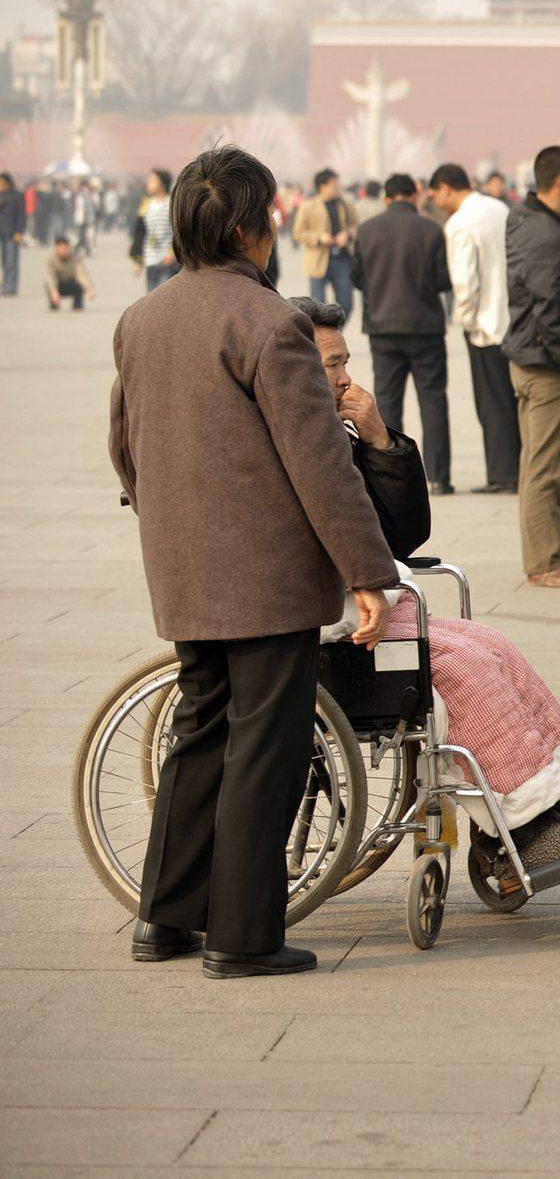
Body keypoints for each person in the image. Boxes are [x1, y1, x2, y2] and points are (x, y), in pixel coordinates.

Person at [110, 145, 399, 978]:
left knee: (197, 735)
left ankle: (164, 917)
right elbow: (320, 465)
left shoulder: (142, 317)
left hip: (183, 567)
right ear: (249, 226)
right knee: (264, 748)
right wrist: (366, 573)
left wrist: (170, 518)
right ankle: (242, 933)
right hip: (265, 576)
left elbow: (123, 448)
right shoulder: (268, 321)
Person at [284, 295, 560, 886]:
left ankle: (539, 808)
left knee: (486, 641)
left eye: (345, 362)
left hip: (368, 603)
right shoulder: (296, 440)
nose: (345, 378)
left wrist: (378, 441)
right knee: (459, 667)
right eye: (330, 366)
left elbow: (402, 531)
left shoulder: (332, 431)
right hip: (334, 620)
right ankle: (523, 825)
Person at [504, 146, 560, 589]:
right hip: (548, 368)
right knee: (547, 470)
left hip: (532, 359)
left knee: (539, 465)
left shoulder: (529, 219)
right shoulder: (545, 234)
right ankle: (543, 563)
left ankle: (549, 551)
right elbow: (550, 305)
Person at [353, 173, 454, 496]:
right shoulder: (430, 229)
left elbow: (357, 276)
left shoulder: (367, 231)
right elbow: (442, 280)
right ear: (414, 196)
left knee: (387, 403)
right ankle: (438, 477)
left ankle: (391, 476)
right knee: (433, 400)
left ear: (386, 198)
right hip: (425, 327)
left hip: (383, 329)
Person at [428, 164, 521, 494]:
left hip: (485, 325)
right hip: (513, 319)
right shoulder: (499, 208)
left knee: (491, 403)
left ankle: (503, 474)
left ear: (446, 188)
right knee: (511, 399)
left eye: (435, 194)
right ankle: (519, 467)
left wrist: (465, 321)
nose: (436, 201)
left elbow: (465, 283)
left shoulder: (460, 224)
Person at [291, 168, 357, 324]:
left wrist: (347, 234)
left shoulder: (345, 204)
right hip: (317, 261)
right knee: (317, 307)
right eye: (334, 184)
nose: (338, 187)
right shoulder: (308, 206)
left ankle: (333, 334)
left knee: (346, 304)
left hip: (342, 259)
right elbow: (298, 233)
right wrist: (319, 238)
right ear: (322, 186)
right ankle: (321, 342)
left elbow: (355, 225)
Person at [130, 168, 177, 290]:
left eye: (152, 180)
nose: (148, 183)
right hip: (150, 257)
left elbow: (178, 231)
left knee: (165, 295)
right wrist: (137, 260)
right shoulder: (146, 204)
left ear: (162, 183)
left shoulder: (172, 204)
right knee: (151, 295)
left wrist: (173, 253)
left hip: (168, 260)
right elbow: (140, 233)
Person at [45, 235, 95, 310]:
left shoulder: (76, 259)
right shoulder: (51, 261)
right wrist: (53, 291)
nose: (63, 250)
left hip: (71, 284)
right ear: (56, 248)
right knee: (48, 285)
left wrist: (89, 289)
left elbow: (81, 274)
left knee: (79, 286)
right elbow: (50, 277)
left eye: (65, 247)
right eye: (61, 248)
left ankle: (77, 305)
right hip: (58, 285)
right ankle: (54, 303)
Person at [0, 171, 25, 296]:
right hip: (1, 234)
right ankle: (5, 284)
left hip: (12, 233)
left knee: (12, 260)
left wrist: (20, 231)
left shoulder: (16, 196)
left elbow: (21, 215)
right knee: (4, 261)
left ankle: (11, 286)